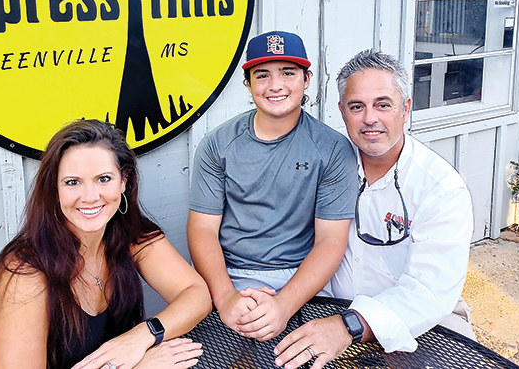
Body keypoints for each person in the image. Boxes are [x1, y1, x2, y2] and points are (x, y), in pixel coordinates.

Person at [274, 49, 474, 369]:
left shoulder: (441, 188)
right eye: (357, 106)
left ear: (405, 108)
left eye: (383, 104)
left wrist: (349, 326)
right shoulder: (321, 165)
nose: (370, 118)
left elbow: (429, 292)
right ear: (342, 111)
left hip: (422, 319)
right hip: (330, 307)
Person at [0, 119, 212, 369]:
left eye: (103, 179)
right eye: (73, 182)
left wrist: (141, 336)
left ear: (123, 181)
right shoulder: (25, 274)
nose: (90, 197)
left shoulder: (128, 235)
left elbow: (197, 294)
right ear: (54, 190)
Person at [187, 31, 358, 342]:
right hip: (230, 274)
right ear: (248, 84)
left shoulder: (332, 148)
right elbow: (202, 229)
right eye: (262, 75)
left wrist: (284, 305)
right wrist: (225, 297)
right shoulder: (218, 144)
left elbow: (330, 240)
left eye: (288, 73)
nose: (276, 85)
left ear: (306, 80)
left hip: (303, 277)